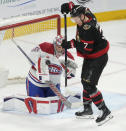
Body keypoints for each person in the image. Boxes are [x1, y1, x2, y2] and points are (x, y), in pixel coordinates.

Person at [61, 1, 113, 125]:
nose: (75, 22)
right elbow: (80, 7)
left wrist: (71, 44)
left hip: (98, 57)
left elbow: (86, 49)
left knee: (89, 85)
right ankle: (87, 109)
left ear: (82, 16)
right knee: (85, 81)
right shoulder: (86, 13)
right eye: (73, 19)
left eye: (76, 19)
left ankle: (105, 111)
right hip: (92, 56)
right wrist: (69, 6)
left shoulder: (87, 28)